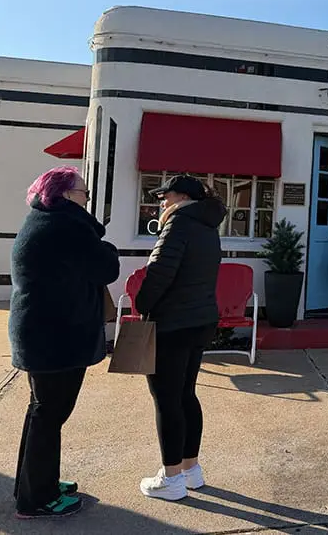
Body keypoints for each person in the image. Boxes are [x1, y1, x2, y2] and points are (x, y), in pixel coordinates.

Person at [9, 166, 120, 519]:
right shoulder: (67, 226)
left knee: (41, 412)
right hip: (57, 338)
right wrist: (109, 247)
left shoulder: (41, 221)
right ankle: (38, 498)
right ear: (68, 194)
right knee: (49, 415)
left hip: (41, 335)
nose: (87, 198)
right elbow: (106, 268)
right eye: (84, 192)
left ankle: (33, 485)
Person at [134, 174, 226, 501]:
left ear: (182, 196)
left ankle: (171, 478)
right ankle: (191, 470)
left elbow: (159, 273)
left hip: (172, 324)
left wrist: (142, 304)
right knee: (186, 394)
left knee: (167, 399)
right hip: (200, 320)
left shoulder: (178, 224)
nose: (162, 201)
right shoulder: (207, 226)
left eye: (166, 196)